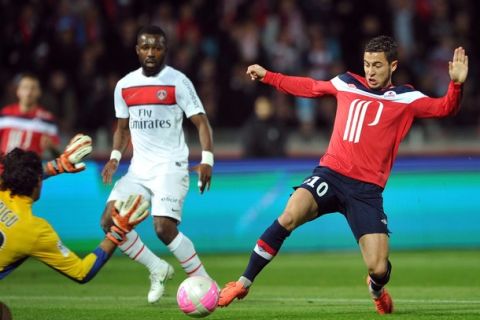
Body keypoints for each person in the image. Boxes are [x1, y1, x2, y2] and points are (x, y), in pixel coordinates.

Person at [218, 36, 468, 314]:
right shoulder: (347, 83)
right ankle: (243, 281)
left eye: (377, 65)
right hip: (330, 175)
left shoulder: (407, 98)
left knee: (379, 267)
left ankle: (376, 289)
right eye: (366, 64)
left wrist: (456, 85)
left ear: (393, 66)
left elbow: (446, 107)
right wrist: (269, 77)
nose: (370, 71)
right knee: (289, 215)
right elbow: (310, 87)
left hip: (366, 190)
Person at [100, 25, 215, 304]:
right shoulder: (124, 85)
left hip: (170, 165)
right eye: (146, 47)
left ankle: (206, 283)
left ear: (165, 49)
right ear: (137, 50)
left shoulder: (178, 82)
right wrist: (115, 157)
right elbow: (122, 128)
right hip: (138, 169)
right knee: (109, 221)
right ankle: (157, 268)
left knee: (163, 227)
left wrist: (207, 160)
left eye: (157, 47)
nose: (151, 52)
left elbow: (201, 122)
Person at [0, 135, 150, 282]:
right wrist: (117, 232)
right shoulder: (34, 231)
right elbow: (81, 272)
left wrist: (56, 166)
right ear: (38, 182)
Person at [0, 73, 60, 158]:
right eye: (25, 88)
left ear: (39, 92)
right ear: (18, 91)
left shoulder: (47, 119)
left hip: (31, 170)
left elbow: (59, 155)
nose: (29, 92)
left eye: (33, 88)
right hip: (4, 170)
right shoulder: (5, 114)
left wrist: (51, 147)